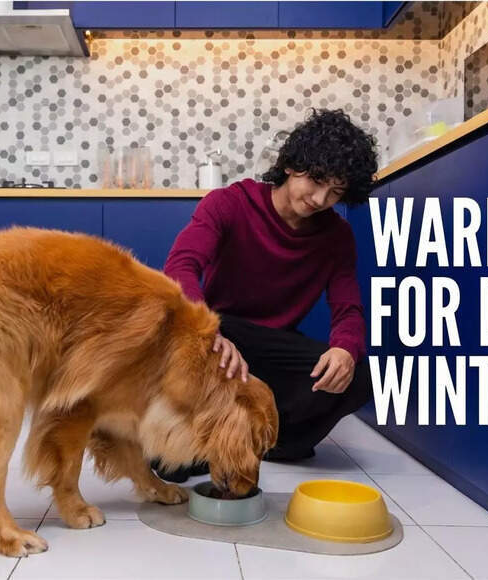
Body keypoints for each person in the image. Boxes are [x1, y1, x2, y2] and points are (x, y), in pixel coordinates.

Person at [155, 108, 378, 482]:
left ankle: (266, 439)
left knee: (360, 374)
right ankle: (205, 435)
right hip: (221, 334)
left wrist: (344, 349)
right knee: (170, 465)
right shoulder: (229, 202)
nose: (321, 198)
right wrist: (208, 333)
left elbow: (348, 308)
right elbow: (180, 267)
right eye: (316, 180)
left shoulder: (337, 236)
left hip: (275, 344)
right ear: (291, 165)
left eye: (336, 191)